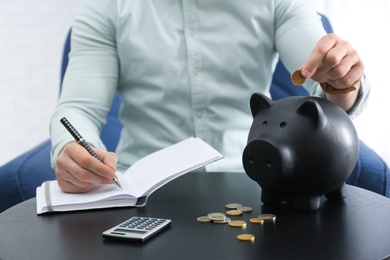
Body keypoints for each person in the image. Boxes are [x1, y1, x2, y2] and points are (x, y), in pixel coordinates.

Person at [50, 0, 369, 193]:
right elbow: (78, 110)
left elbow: (327, 87)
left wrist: (341, 83)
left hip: (258, 183)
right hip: (144, 191)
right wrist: (71, 150)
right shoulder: (107, 6)